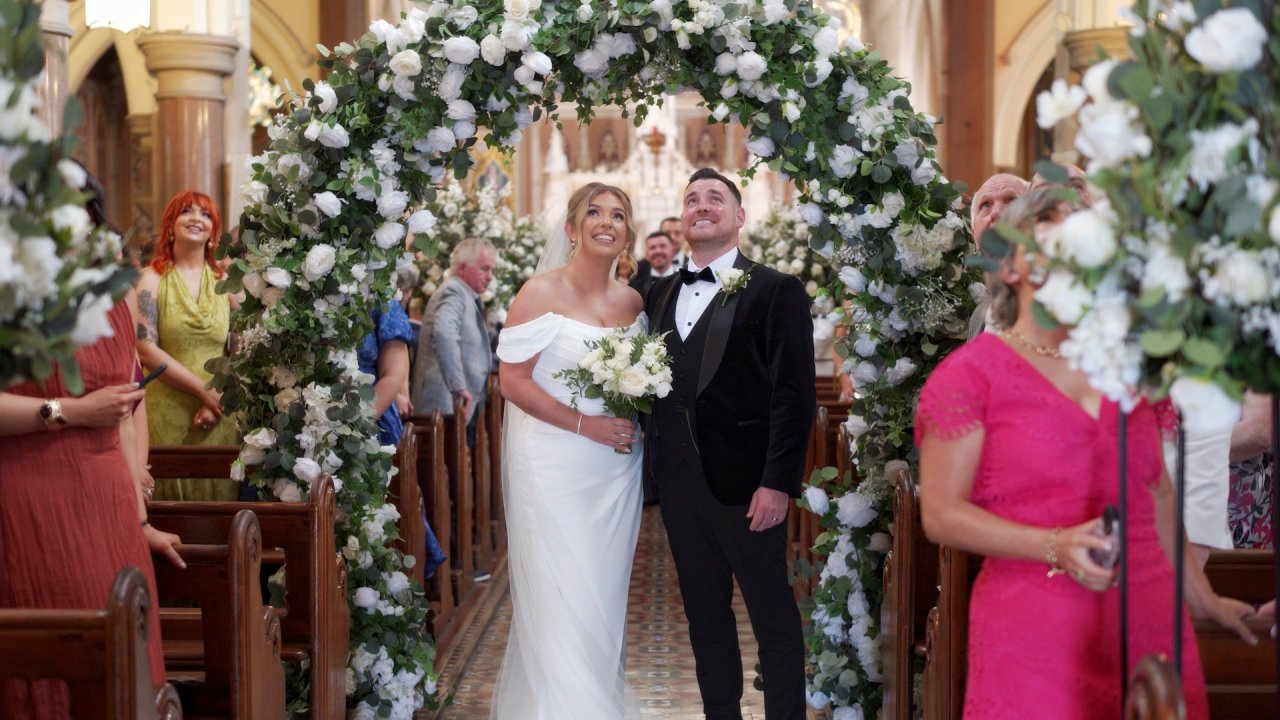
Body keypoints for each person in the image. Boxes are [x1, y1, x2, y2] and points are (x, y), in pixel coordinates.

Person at [916, 188, 1256, 719]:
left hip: (1149, 618)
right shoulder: (969, 377)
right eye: (1049, 226)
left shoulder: (1131, 370)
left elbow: (1158, 492)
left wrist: (1200, 595)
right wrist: (1051, 544)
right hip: (1037, 622)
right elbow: (940, 514)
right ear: (1010, 267)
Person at [644, 168, 816, 720]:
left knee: (773, 618)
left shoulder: (776, 289)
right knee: (704, 615)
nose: (702, 206)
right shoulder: (660, 293)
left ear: (739, 217)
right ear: (682, 218)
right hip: (679, 485)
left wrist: (777, 482)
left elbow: (794, 396)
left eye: (715, 198)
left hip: (748, 486)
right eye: (692, 199)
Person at [490, 182, 645, 719]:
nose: (607, 221)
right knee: (564, 592)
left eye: (619, 215)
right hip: (554, 460)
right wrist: (586, 425)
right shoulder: (539, 292)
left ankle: (596, 696)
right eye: (594, 212)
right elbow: (512, 383)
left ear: (628, 233)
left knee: (602, 595)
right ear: (571, 228)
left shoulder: (632, 302)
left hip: (616, 469)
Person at [0, 291, 183, 718]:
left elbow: (123, 418)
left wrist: (140, 523)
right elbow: (92, 411)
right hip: (33, 501)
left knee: (124, 662)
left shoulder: (118, 292)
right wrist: (71, 411)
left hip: (111, 510)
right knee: (53, 665)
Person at [136, 190, 240, 501]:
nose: (196, 218)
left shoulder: (227, 282)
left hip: (220, 411)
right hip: (166, 407)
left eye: (205, 214)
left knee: (219, 506)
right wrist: (201, 390)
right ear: (170, 225)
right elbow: (145, 349)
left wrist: (218, 397)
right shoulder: (151, 279)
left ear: (213, 232)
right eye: (187, 212)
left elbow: (241, 348)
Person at [411, 237, 497, 447]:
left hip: (458, 407)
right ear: (462, 268)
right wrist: (458, 386)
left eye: (492, 270)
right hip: (445, 406)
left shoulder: (465, 294)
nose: (490, 277)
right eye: (484, 269)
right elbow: (444, 332)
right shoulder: (454, 291)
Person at [967, 174, 1029, 338]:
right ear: (975, 234)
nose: (996, 212)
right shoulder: (979, 316)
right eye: (985, 205)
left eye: (1012, 201)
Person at [628, 230, 677, 296]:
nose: (658, 251)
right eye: (652, 247)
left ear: (673, 251)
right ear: (646, 253)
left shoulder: (684, 281)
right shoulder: (634, 286)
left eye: (662, 246)